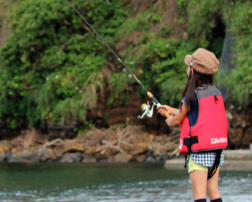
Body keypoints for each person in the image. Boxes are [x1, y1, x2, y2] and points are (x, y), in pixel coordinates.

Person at [158, 48, 228, 202]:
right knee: (213, 191)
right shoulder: (215, 92)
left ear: (193, 71)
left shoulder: (191, 95)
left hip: (198, 153)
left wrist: (168, 118)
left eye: (188, 67)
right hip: (216, 151)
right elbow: (196, 115)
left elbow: (176, 121)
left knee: (199, 194)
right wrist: (172, 110)